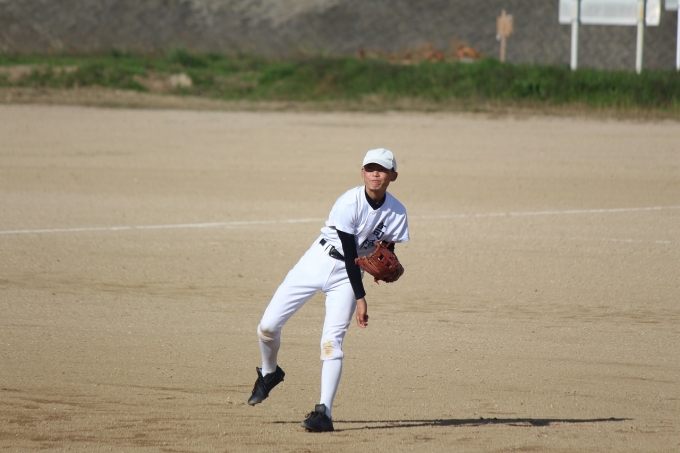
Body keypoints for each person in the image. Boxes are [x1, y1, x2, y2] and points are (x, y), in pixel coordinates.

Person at [247, 148, 410, 432]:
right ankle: (269, 372)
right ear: (362, 173)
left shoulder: (398, 212)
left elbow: (387, 246)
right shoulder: (349, 202)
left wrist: (386, 262)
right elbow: (349, 252)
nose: (375, 174)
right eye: (370, 168)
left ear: (393, 176)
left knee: (331, 343)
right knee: (267, 327)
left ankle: (324, 412)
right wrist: (361, 298)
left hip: (348, 277)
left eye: (382, 169)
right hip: (317, 262)